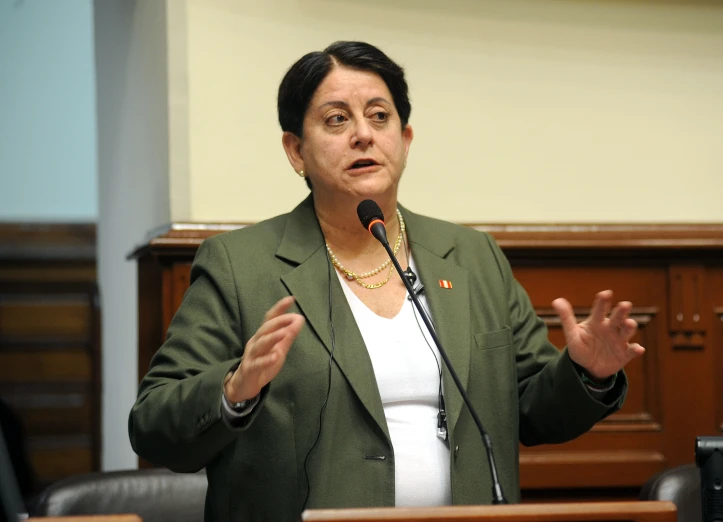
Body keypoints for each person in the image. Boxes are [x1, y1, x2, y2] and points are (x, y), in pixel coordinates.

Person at [129, 41, 645, 521]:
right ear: (295, 151)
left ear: (405, 138)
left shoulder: (471, 257)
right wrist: (234, 390)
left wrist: (586, 373)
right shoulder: (242, 265)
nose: (363, 134)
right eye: (337, 119)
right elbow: (152, 424)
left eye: (380, 116)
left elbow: (533, 410)